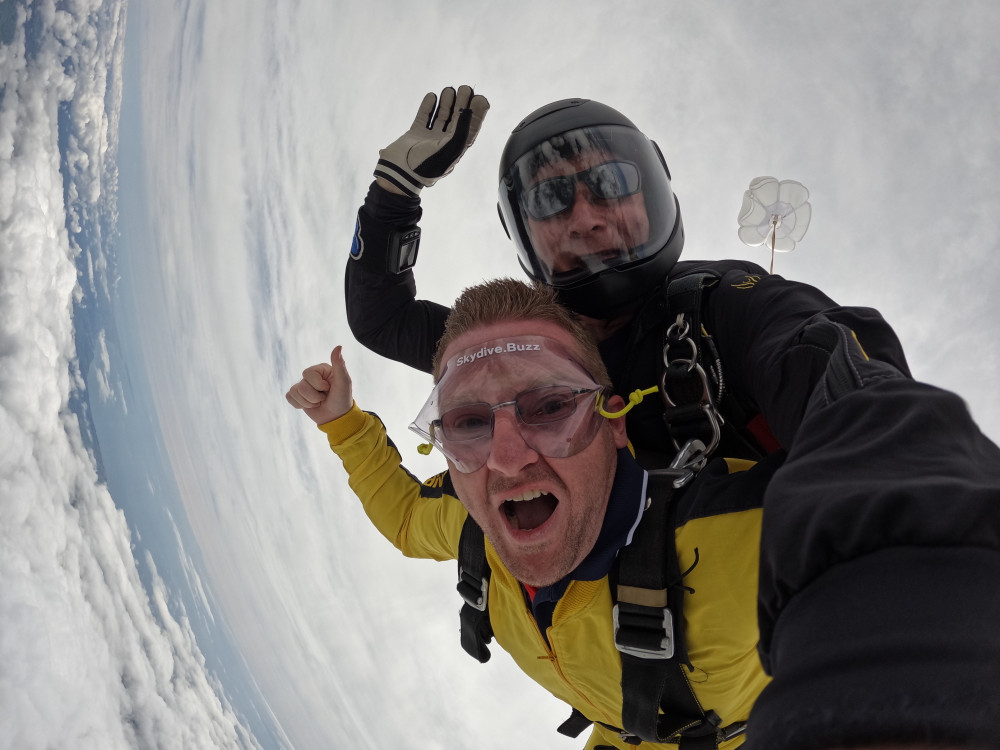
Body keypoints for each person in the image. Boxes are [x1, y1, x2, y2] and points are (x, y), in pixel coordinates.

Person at [288, 278, 999, 750]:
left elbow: (905, 560)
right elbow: (408, 519)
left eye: (548, 408)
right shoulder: (470, 523)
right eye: (468, 422)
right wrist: (342, 422)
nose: (506, 457)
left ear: (617, 423)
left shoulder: (736, 539)